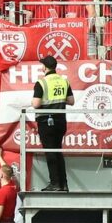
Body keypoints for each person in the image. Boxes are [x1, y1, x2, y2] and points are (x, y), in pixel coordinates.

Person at [31, 55, 74, 192]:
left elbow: (36, 104)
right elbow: (71, 101)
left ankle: (55, 184)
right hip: (61, 121)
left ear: (44, 67)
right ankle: (64, 184)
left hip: (46, 121)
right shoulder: (64, 81)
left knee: (50, 153)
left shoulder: (42, 82)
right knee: (58, 151)